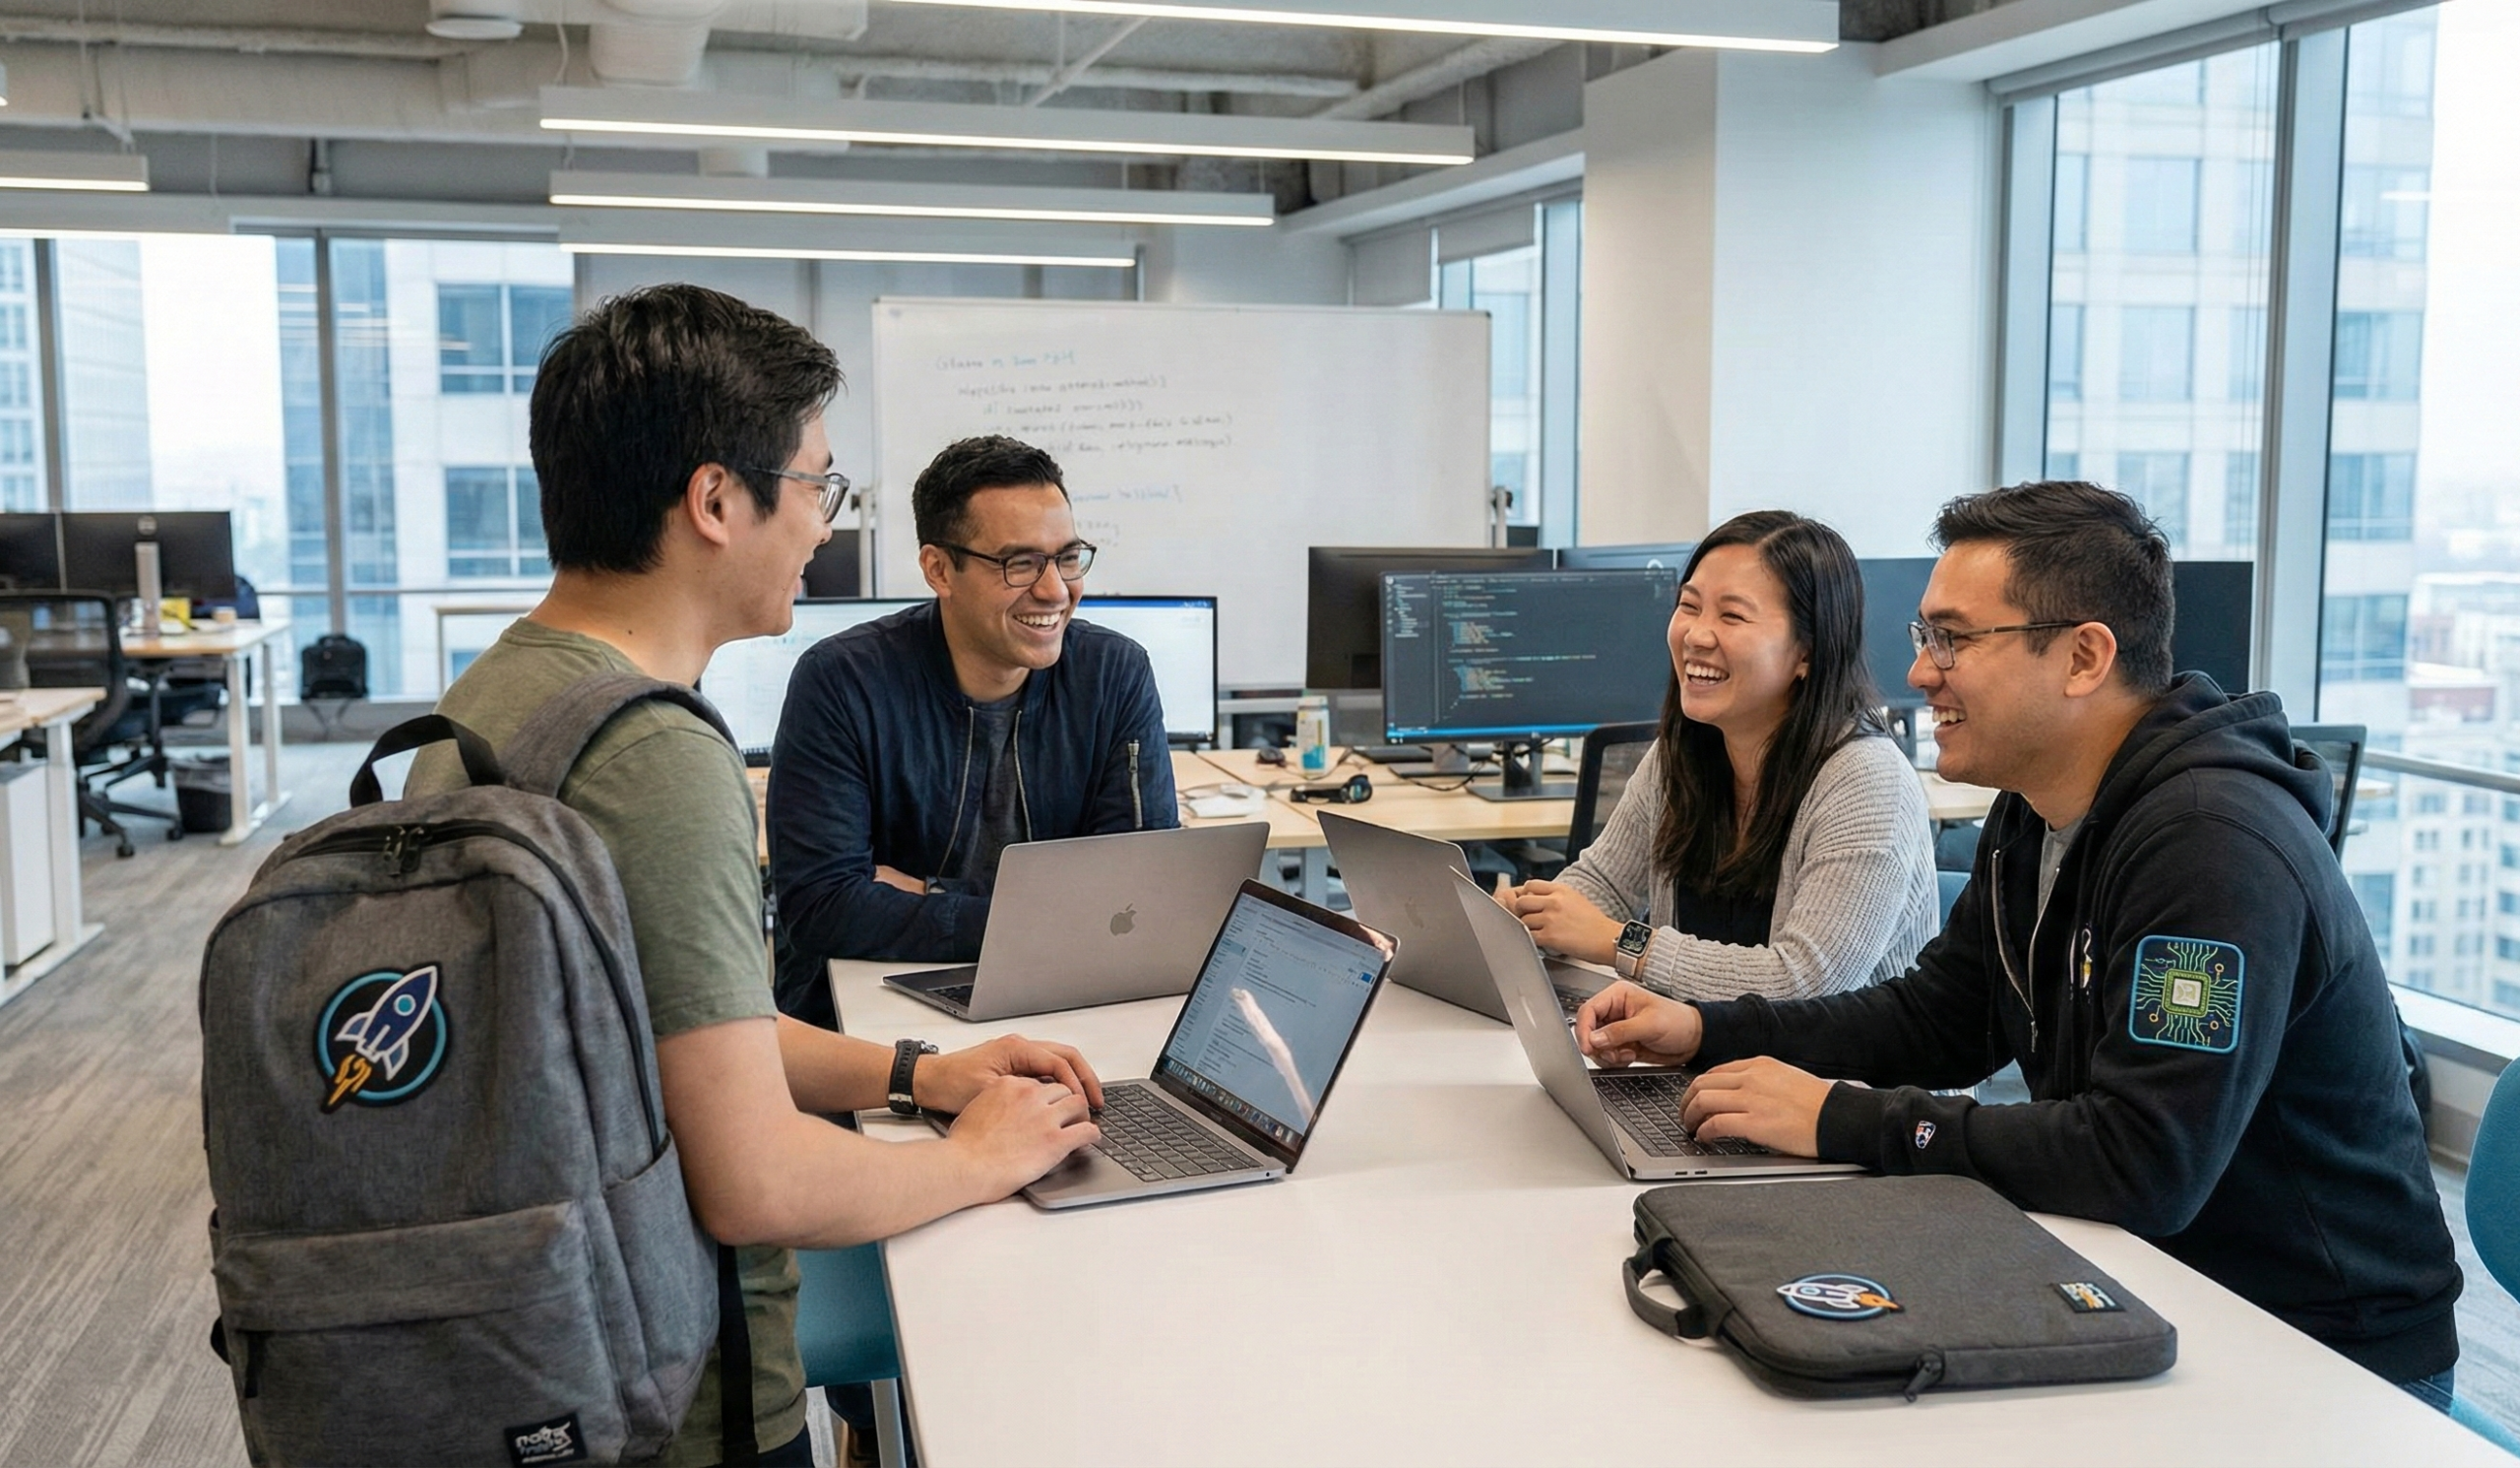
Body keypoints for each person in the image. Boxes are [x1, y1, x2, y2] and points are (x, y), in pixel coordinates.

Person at [410, 286, 1105, 1467]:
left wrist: (917, 1073)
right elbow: (756, 1184)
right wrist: (975, 1157)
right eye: (816, 486)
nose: (825, 527)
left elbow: (682, 1029)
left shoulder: (497, 699)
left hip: (537, 1338)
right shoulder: (653, 755)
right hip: (673, 1391)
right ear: (717, 500)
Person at [1576, 480, 2462, 1397]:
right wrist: (1708, 1028)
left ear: (2083, 656)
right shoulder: (2037, 810)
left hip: (2313, 1355)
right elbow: (1941, 1016)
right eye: (1926, 637)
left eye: (1952, 639)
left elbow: (2141, 1160)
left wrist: (1839, 1116)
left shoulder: (2213, 848)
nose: (1919, 672)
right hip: (2138, 1280)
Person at [768, 433, 1176, 1026]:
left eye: (1067, 557)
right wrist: (1059, 919)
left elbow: (1139, 896)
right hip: (871, 1010)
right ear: (939, 569)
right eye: (1020, 563)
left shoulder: (1114, 673)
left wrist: (930, 896)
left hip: (1062, 1000)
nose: (1055, 590)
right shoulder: (842, 680)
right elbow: (824, 907)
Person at [1498, 510, 1936, 999]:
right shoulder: (1680, 753)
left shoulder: (1866, 779)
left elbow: (1805, 982)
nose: (1696, 635)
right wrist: (1518, 919)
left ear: (1807, 652)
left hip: (1845, 1075)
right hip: (1707, 1058)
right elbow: (1603, 885)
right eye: (1689, 606)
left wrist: (1620, 942)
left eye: (1732, 615)